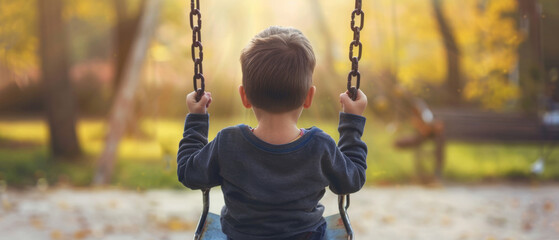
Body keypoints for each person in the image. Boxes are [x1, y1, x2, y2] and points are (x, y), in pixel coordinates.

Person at [177, 26, 368, 240]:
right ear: (309, 97)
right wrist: (352, 122)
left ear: (244, 96)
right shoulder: (320, 146)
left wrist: (196, 119)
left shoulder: (228, 142)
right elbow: (352, 179)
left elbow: (189, 173)